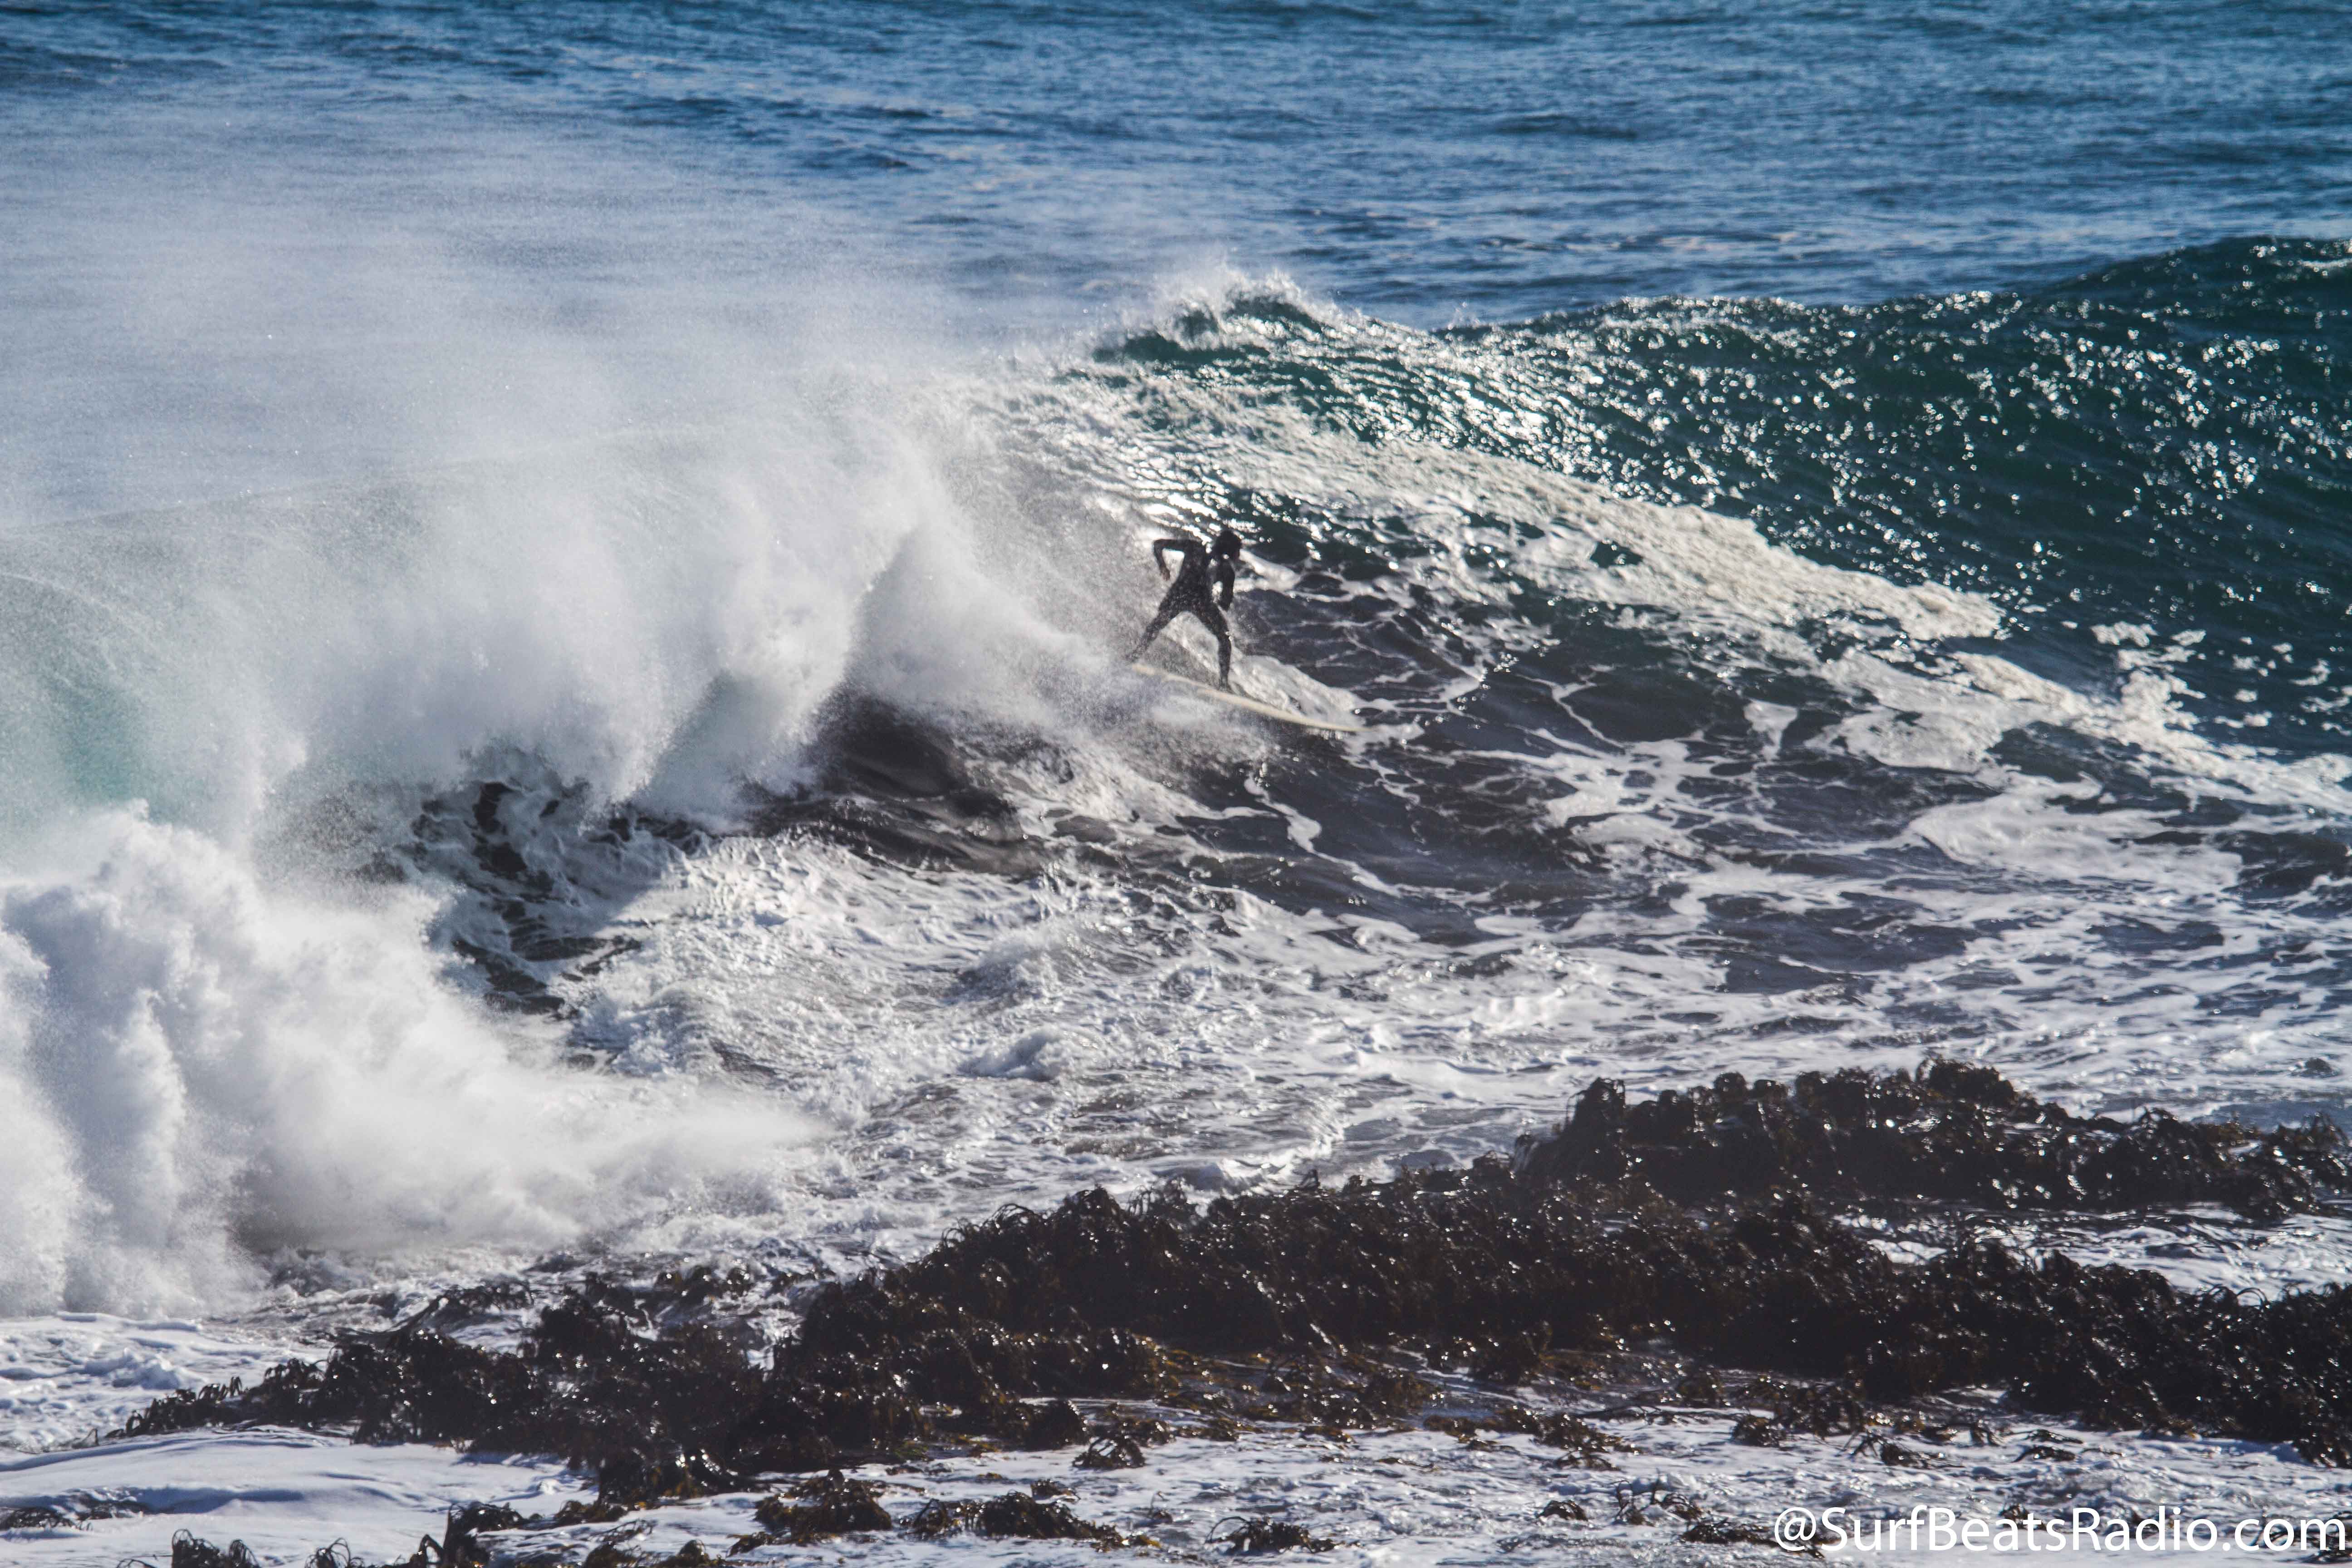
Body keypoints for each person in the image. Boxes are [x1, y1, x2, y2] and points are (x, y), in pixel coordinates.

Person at [1130, 527, 1241, 689]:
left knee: (1157, 624)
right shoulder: (1227, 569)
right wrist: (1221, 594)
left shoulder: (1195, 547)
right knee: (1225, 638)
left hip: (1180, 594)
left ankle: (1135, 654)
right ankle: (1224, 683)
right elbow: (1225, 604)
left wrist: (1163, 567)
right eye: (1237, 550)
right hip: (1202, 602)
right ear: (1229, 548)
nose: (1238, 555)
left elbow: (1158, 544)